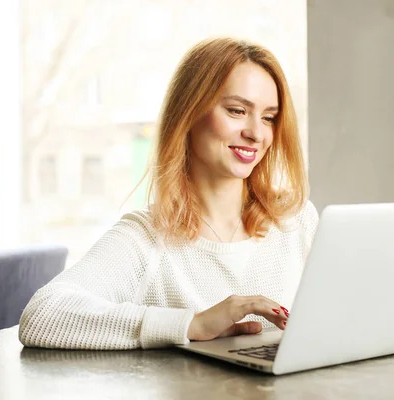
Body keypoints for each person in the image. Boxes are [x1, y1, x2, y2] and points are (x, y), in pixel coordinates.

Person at [18, 37, 318, 350]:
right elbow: (43, 315)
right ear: (189, 113)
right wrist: (192, 324)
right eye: (236, 110)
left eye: (269, 117)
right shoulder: (146, 238)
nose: (257, 133)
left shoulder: (296, 222)